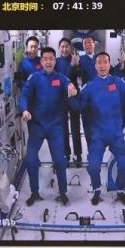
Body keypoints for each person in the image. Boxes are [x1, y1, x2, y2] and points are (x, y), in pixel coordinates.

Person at [69, 52, 125, 206]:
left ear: (109, 64)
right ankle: (97, 189)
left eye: (105, 62)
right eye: (99, 63)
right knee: (93, 167)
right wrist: (73, 95)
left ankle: (120, 190)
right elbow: (79, 105)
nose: (102, 65)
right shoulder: (89, 86)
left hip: (116, 134)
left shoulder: (117, 82)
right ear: (95, 66)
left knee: (124, 165)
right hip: (98, 135)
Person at [20, 47, 78, 206]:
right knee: (31, 160)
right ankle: (34, 192)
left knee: (60, 160)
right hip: (37, 126)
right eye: (45, 59)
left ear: (55, 61)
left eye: (51, 59)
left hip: (55, 127)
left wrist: (73, 91)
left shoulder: (61, 78)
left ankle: (63, 192)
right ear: (41, 61)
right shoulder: (34, 78)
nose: (48, 62)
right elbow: (24, 96)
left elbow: (71, 87)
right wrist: (24, 110)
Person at [55, 38, 83, 166]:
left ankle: (78, 154)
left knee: (75, 127)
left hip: (74, 96)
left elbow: (79, 76)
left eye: (67, 46)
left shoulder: (76, 60)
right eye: (62, 46)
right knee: (63, 128)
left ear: (70, 48)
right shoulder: (56, 62)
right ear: (59, 48)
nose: (65, 49)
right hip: (61, 98)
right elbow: (62, 78)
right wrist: (71, 66)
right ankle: (66, 153)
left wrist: (76, 65)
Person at [75, 36, 98, 148]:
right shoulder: (80, 60)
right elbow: (75, 74)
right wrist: (74, 65)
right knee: (87, 126)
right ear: (83, 46)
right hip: (86, 99)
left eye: (89, 42)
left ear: (94, 44)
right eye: (85, 43)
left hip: (100, 98)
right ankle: (91, 149)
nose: (88, 45)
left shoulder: (100, 58)